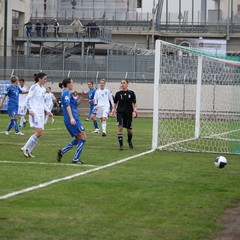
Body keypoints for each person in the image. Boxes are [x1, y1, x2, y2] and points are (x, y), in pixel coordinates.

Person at [21, 72, 53, 158]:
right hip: (35, 113)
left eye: (46, 79)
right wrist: (30, 110)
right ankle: (25, 148)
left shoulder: (43, 89)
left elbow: (43, 103)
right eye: (44, 79)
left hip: (41, 113)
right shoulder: (34, 87)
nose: (46, 81)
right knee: (38, 132)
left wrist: (49, 111)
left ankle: (29, 150)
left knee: (39, 133)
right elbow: (28, 99)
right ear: (39, 79)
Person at [56, 78, 86, 164]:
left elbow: (76, 104)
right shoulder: (65, 93)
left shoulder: (69, 93)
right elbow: (67, 105)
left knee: (79, 138)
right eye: (72, 83)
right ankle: (75, 159)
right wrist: (71, 118)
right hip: (72, 119)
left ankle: (62, 151)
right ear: (68, 84)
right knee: (83, 137)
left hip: (74, 118)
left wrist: (82, 96)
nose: (73, 84)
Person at [111, 79, 137, 150]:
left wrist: (135, 110)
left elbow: (134, 102)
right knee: (120, 127)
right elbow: (115, 103)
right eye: (121, 83)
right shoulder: (118, 93)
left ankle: (129, 141)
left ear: (127, 84)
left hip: (128, 113)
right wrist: (113, 110)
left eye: (124, 83)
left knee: (129, 130)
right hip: (120, 112)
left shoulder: (131, 93)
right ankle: (121, 145)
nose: (123, 84)